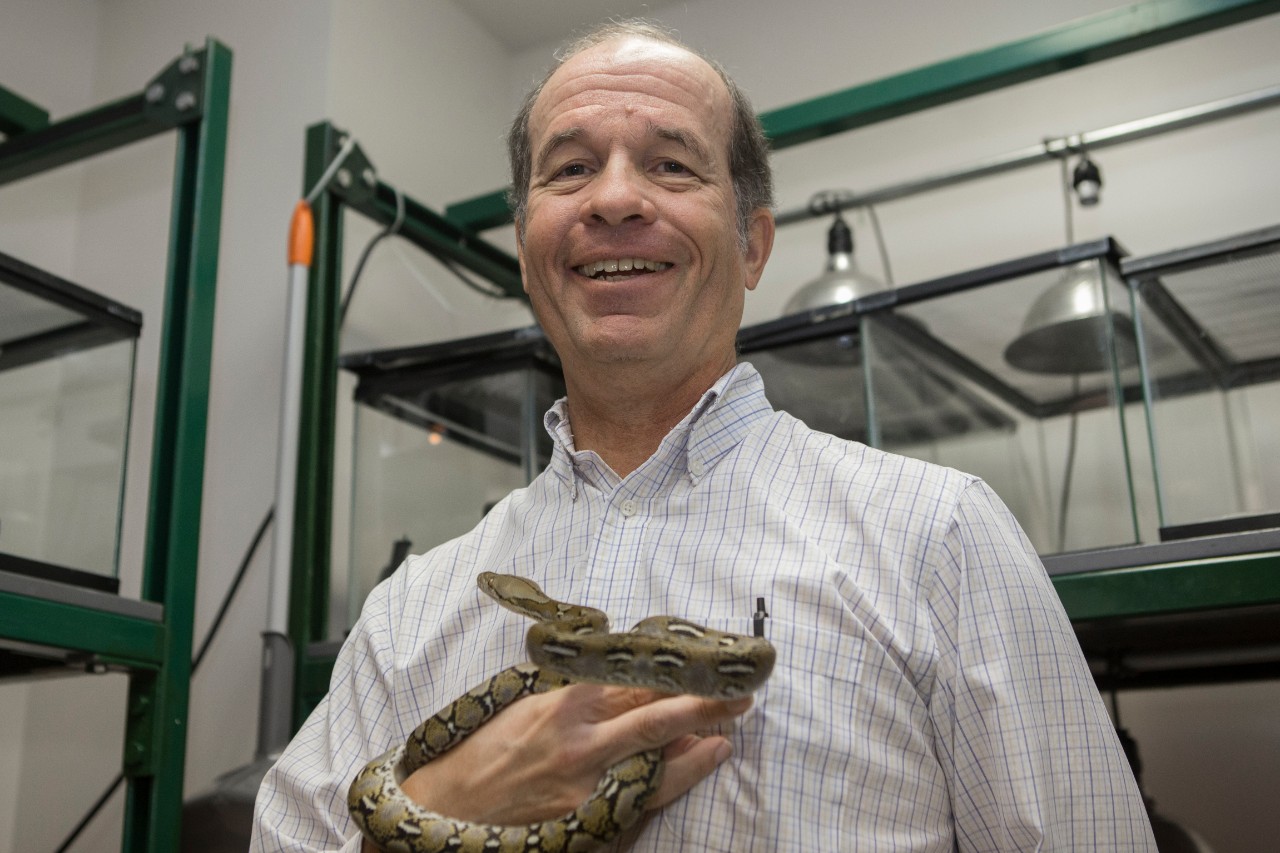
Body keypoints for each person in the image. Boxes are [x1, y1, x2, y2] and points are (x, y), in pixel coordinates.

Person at [252, 21, 1156, 852]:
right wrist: (448, 801)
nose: (612, 197)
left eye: (672, 166)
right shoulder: (408, 612)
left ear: (754, 245)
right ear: (528, 247)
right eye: (568, 169)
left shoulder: (939, 539)